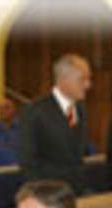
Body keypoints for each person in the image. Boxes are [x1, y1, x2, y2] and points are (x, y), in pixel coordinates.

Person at [19, 54, 92, 194]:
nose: (88, 85)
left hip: (77, 192)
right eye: (83, 79)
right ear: (64, 79)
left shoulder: (81, 109)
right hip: (49, 195)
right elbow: (28, 164)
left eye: (88, 79)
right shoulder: (35, 111)